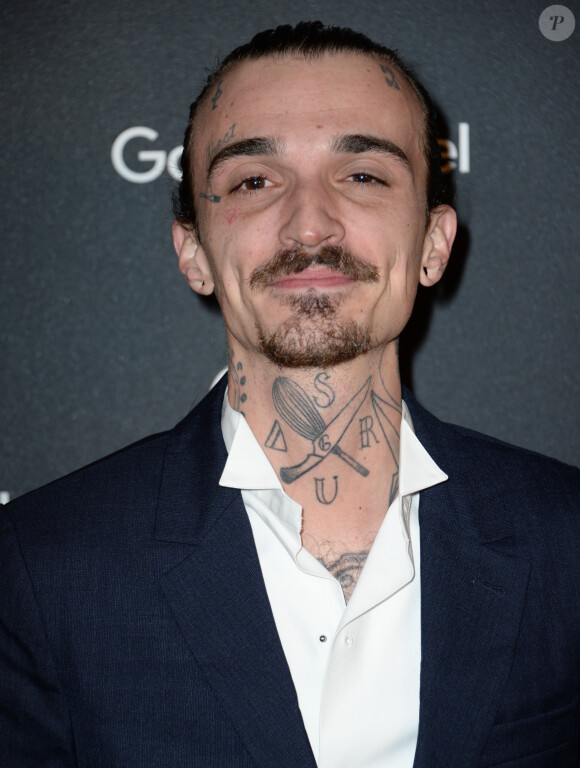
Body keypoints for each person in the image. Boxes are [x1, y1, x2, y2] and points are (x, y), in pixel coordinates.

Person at [1, 21, 578, 768]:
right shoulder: (41, 570)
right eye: (253, 181)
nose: (309, 223)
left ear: (434, 244)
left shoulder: (564, 541)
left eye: (363, 175)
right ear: (195, 254)